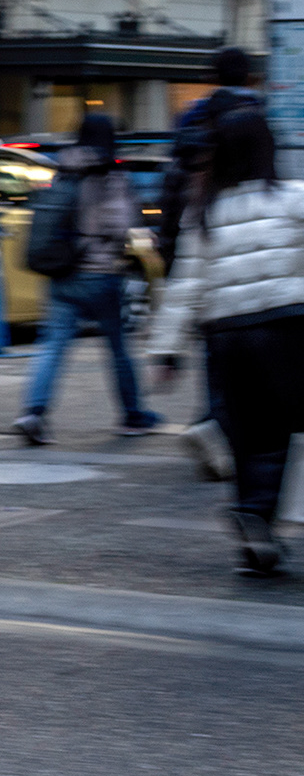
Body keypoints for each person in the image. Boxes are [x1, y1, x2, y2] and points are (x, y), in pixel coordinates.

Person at [149, 108, 304, 577]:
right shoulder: (295, 199)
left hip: (227, 339)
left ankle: (252, 516)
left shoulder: (207, 211)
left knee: (251, 435)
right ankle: (259, 515)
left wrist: (166, 349)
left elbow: (184, 284)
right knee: (283, 432)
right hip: (285, 328)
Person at [14, 113, 160, 444]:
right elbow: (123, 227)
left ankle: (33, 412)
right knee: (119, 348)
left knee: (52, 345)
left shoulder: (63, 167)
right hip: (102, 274)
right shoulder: (112, 176)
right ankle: (133, 415)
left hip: (63, 274)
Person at [159, 48, 260, 482]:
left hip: (196, 225)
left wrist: (165, 347)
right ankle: (221, 430)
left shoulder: (192, 115)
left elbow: (173, 176)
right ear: (250, 75)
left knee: (215, 347)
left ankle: (212, 423)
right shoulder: (256, 113)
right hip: (252, 234)